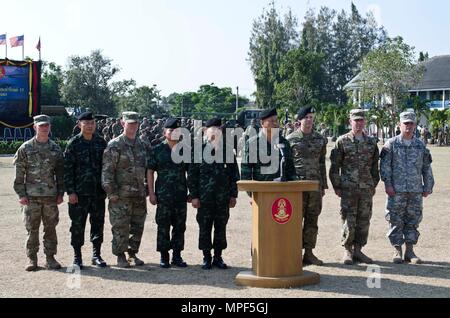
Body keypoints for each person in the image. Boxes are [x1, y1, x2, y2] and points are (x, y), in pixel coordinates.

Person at [380, 111, 434, 264]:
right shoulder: (391, 144)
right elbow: (385, 167)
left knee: (413, 220)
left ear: (415, 125)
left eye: (411, 123)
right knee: (395, 219)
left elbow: (426, 167)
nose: (408, 126)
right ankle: (397, 250)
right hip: (396, 191)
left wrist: (427, 185)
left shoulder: (420, 145)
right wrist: (388, 184)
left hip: (415, 190)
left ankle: (410, 251)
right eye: (405, 123)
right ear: (400, 125)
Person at [13, 115, 64, 271]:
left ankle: (50, 258)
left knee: (50, 228)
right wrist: (21, 194)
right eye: (41, 126)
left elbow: (60, 173)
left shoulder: (55, 149)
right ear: (35, 127)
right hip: (31, 197)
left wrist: (61, 192)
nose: (44, 128)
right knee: (31, 229)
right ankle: (32, 259)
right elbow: (19, 175)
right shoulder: (25, 148)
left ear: (50, 127)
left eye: (46, 125)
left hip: (50, 196)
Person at [188, 118, 240, 270]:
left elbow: (234, 175)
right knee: (204, 227)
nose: (215, 131)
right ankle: (206, 257)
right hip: (204, 199)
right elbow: (192, 175)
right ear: (206, 130)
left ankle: (218, 257)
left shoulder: (227, 150)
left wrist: (233, 195)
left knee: (221, 227)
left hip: (222, 198)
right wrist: (194, 196)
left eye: (218, 128)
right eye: (212, 128)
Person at [329, 108, 380, 265]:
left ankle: (358, 250)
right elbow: (334, 167)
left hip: (366, 189)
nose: (358, 123)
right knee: (348, 220)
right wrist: (337, 186)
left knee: (364, 220)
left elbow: (374, 167)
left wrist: (372, 185)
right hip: (348, 189)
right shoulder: (342, 141)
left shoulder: (371, 143)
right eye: (355, 120)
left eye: (361, 120)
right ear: (350, 121)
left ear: (364, 122)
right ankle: (347, 250)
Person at [102, 112, 148, 268]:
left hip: (139, 195)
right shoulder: (115, 145)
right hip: (120, 196)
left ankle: (132, 253)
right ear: (122, 123)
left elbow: (148, 168)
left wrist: (147, 188)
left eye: (135, 123)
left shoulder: (142, 144)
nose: (133, 126)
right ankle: (120, 256)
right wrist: (111, 192)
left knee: (137, 226)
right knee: (120, 226)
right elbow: (107, 171)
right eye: (130, 123)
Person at [64, 112, 108, 269]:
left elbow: (106, 168)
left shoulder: (101, 142)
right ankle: (77, 256)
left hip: (97, 193)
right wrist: (71, 192)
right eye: (86, 123)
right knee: (77, 226)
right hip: (79, 194)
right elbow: (67, 170)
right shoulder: (73, 144)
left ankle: (96, 254)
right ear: (79, 124)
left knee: (98, 224)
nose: (90, 125)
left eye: (92, 123)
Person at [287, 106, 328, 266]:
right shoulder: (291, 139)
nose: (309, 120)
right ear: (299, 120)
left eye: (311, 117)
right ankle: (294, 253)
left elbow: (321, 163)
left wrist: (323, 185)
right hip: (297, 186)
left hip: (315, 186)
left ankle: (309, 253)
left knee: (312, 219)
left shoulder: (320, 139)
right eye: (306, 118)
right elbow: (287, 165)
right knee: (296, 220)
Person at [147, 118, 189, 268]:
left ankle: (177, 256)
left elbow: (191, 172)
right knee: (163, 226)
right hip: (163, 196)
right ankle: (164, 256)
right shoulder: (157, 150)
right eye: (170, 130)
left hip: (180, 196)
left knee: (179, 226)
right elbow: (150, 172)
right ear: (164, 132)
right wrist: (151, 193)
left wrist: (192, 192)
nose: (173, 133)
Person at [241, 107, 297, 183]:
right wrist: (252, 191)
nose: (275, 123)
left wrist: (293, 188)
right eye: (271, 121)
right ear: (262, 123)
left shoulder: (284, 143)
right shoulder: (252, 143)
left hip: (283, 191)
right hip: (261, 191)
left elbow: (290, 169)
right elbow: (246, 171)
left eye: (276, 120)